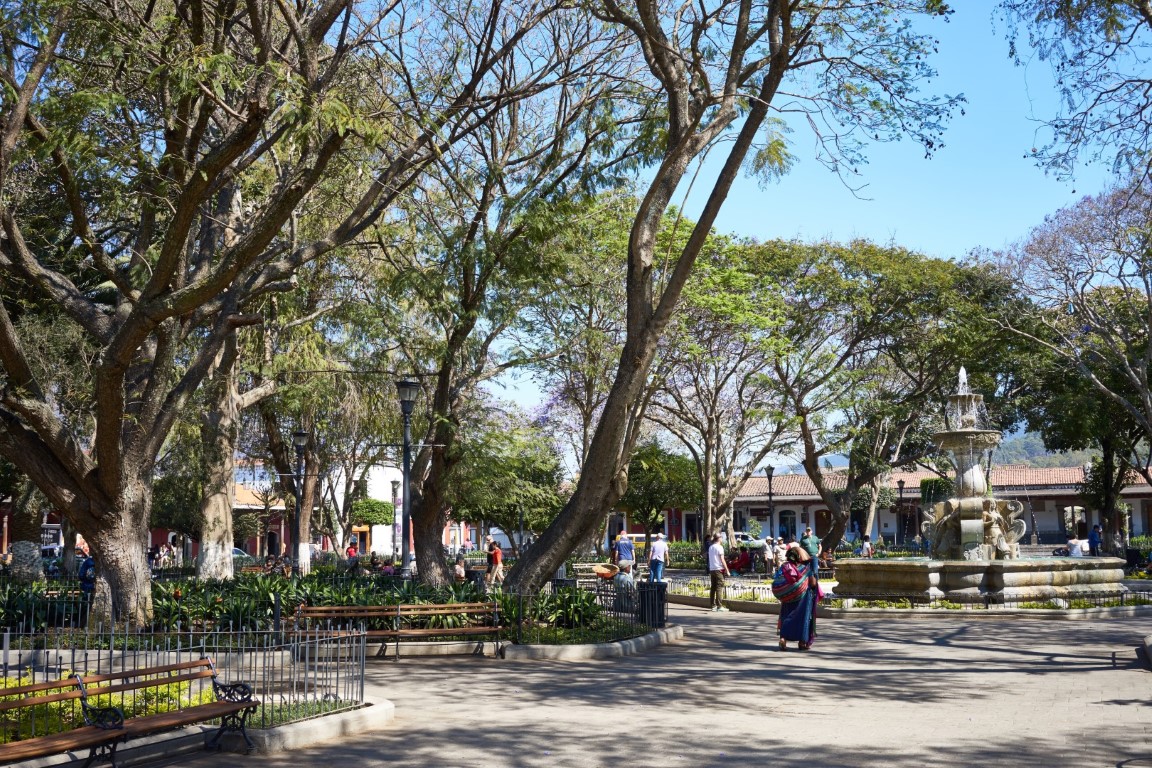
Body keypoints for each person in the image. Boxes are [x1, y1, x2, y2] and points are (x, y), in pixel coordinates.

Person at [776, 547, 819, 651]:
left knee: (786, 617)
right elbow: (813, 583)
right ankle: (802, 642)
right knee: (803, 618)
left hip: (788, 598)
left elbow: (778, 578)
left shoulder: (784, 567)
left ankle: (783, 638)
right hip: (803, 599)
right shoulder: (805, 569)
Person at [707, 533, 730, 612]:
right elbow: (722, 560)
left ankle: (713, 605)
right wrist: (727, 570)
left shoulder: (711, 547)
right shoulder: (719, 547)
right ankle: (719, 606)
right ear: (719, 538)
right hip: (719, 569)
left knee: (713, 587)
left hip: (712, 569)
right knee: (719, 587)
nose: (722, 539)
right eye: (721, 537)